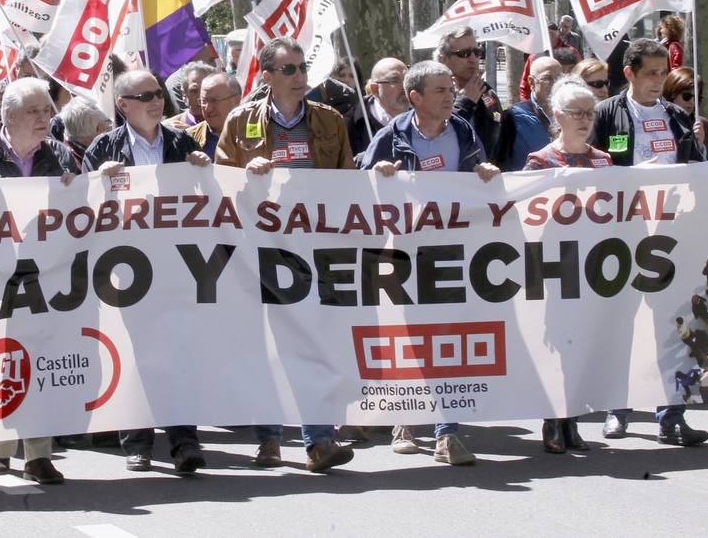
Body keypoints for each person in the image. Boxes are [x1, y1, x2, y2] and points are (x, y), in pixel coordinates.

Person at [215, 37, 354, 473]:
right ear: (267, 76)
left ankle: (320, 440)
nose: (299, 77)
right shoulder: (240, 122)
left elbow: (348, 182)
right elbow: (218, 185)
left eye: (301, 68)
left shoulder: (330, 120)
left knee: (313, 344)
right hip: (260, 250)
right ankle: (269, 439)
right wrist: (244, 176)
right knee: (266, 347)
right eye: (289, 70)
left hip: (314, 251)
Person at [358, 61, 499, 466]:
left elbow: (477, 175)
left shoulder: (464, 130)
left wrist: (483, 172)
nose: (449, 95)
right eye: (440, 89)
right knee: (408, 337)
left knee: (447, 336)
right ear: (415, 97)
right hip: (403, 252)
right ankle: (405, 419)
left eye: (451, 88)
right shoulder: (391, 136)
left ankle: (446, 433)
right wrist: (376, 173)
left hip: (452, 251)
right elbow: (360, 192)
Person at [84, 69, 212, 475]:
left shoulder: (181, 142)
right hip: (126, 269)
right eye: (145, 96)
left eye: (158, 93)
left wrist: (204, 170)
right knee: (135, 354)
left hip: (176, 266)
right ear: (123, 105)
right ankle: (136, 443)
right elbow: (82, 210)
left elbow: (209, 201)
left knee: (179, 353)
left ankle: (184, 440)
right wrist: (96, 182)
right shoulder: (105, 148)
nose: (157, 101)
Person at [588, 40, 708, 447]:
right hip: (622, 236)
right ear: (630, 74)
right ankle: (616, 409)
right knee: (623, 323)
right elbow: (591, 169)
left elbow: (699, 170)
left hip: (671, 236)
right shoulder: (607, 114)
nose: (660, 81)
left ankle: (672, 414)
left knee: (673, 325)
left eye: (664, 72)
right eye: (651, 73)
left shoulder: (678, 116)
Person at [0, 77, 79, 484]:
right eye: (35, 111)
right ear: (10, 115)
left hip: (44, 272)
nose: (45, 118)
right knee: (0, 355)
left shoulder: (60, 155)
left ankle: (38, 455)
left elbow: (84, 206)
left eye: (47, 111)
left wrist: (82, 187)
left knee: (41, 356)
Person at [520, 77, 615, 453]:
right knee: (556, 347)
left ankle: (572, 420)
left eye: (589, 112)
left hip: (594, 270)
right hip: (555, 269)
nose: (584, 119)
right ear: (557, 116)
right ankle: (552, 420)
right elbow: (525, 214)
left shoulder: (603, 161)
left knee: (582, 348)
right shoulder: (540, 162)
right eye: (575, 112)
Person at [436, 28, 502, 157]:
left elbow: (499, 144)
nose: (473, 59)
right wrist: (465, 102)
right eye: (464, 53)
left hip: (484, 174)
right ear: (443, 59)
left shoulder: (487, 93)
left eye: (477, 52)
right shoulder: (429, 91)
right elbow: (436, 134)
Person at [494, 56, 560, 171]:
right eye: (548, 78)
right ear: (531, 82)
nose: (555, 84)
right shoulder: (514, 116)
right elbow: (500, 161)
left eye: (559, 78)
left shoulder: (572, 114)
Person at [348, 57, 408, 158]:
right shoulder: (351, 124)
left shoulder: (424, 118)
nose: (405, 86)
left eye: (407, 79)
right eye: (395, 80)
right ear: (375, 89)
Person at [663, 68, 708, 159]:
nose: (691, 102)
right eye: (686, 96)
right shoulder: (659, 120)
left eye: (696, 98)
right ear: (672, 94)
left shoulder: (703, 125)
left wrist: (700, 147)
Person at [189, 71, 241, 159]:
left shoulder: (258, 133)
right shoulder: (189, 138)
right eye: (203, 101)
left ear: (236, 100)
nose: (207, 108)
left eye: (214, 100)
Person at [57, 97, 113, 169]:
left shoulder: (63, 152)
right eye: (108, 125)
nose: (112, 131)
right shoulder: (71, 164)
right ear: (99, 128)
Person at [163, 61, 217, 130]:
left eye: (206, 90)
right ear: (184, 94)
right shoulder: (167, 129)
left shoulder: (228, 123)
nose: (201, 97)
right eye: (194, 91)